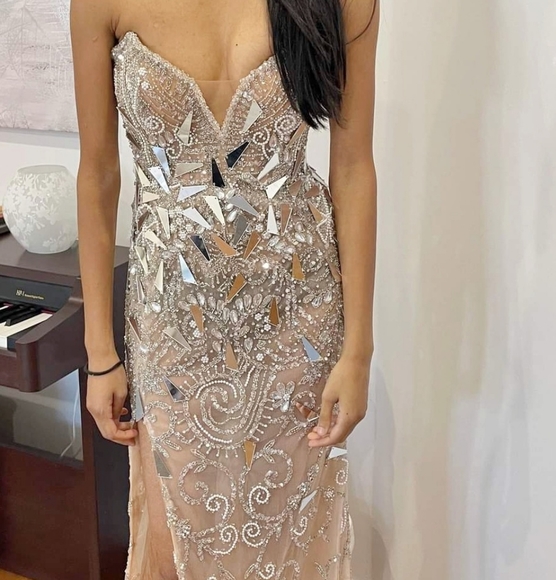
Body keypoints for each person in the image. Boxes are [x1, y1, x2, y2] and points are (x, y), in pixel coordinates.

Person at [70, 0, 379, 576]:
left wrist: (358, 350)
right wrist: (99, 353)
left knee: (288, 537)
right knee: (178, 529)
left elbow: (354, 167)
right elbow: (98, 172)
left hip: (297, 325)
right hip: (170, 326)